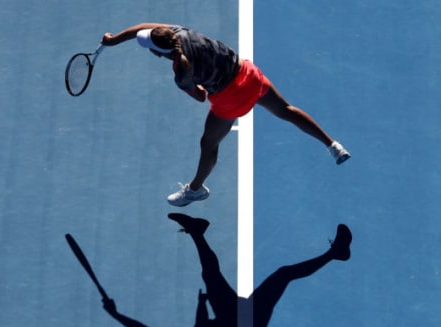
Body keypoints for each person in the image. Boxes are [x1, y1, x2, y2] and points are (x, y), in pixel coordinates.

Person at [101, 213, 352, 327]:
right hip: (238, 320)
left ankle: (197, 231)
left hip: (238, 321)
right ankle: (197, 231)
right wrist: (115, 314)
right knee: (229, 274)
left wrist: (201, 306)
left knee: (275, 274)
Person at [101, 23, 351, 206]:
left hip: (231, 97)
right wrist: (113, 40)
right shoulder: (177, 32)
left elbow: (200, 97)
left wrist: (197, 83)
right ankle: (333, 145)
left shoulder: (181, 73)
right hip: (249, 74)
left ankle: (195, 190)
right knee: (286, 110)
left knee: (208, 144)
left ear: (159, 53)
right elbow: (144, 28)